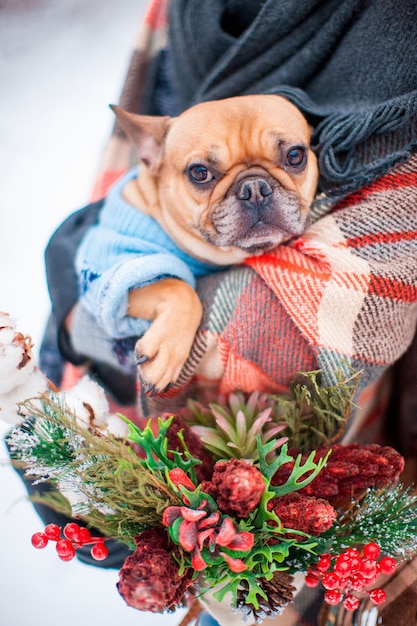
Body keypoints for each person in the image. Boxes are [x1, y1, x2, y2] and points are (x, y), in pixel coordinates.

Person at [35, 0, 417, 623]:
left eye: (288, 160)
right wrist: (175, 300)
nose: (256, 192)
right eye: (206, 174)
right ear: (153, 158)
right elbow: (106, 280)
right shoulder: (136, 224)